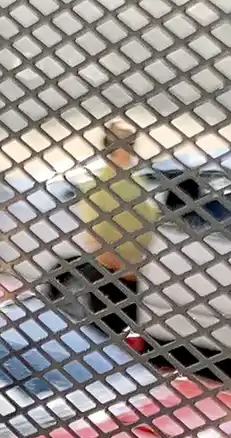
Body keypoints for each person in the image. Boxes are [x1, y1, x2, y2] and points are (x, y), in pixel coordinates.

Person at [73, 118, 160, 334]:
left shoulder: (136, 181)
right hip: (110, 275)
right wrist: (123, 267)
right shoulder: (98, 186)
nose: (132, 150)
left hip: (132, 275)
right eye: (128, 144)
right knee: (107, 335)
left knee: (127, 336)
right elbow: (95, 237)